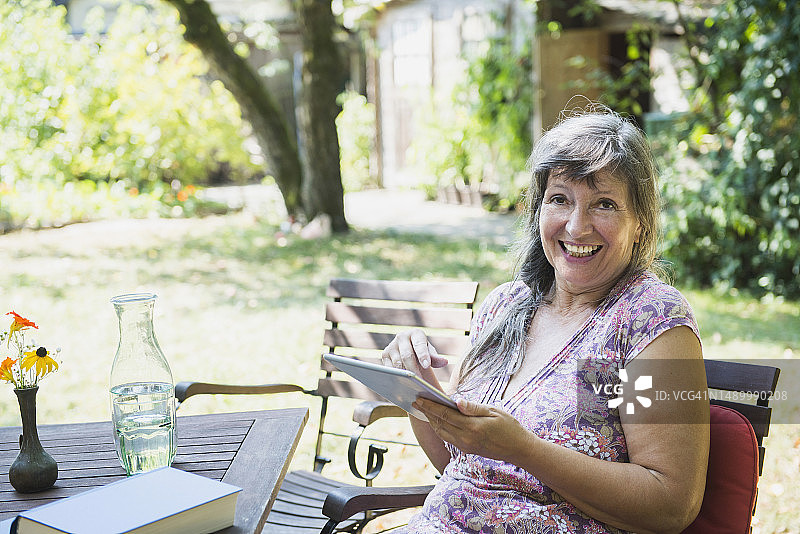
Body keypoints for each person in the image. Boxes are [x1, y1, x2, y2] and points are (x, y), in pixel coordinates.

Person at [381, 107, 709, 534]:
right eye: (560, 199)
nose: (577, 225)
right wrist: (418, 393)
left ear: (640, 226)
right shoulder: (506, 306)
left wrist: (523, 450)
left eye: (604, 205)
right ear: (538, 210)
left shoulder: (648, 320)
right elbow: (458, 463)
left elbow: (669, 505)